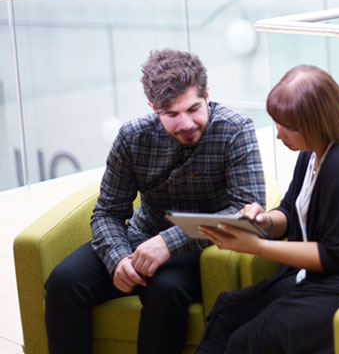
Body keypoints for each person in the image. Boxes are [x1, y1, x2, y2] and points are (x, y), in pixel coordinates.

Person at [44, 48, 266, 354]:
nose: (186, 123)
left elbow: (247, 213)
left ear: (207, 94)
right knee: (64, 281)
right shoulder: (132, 137)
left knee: (166, 290)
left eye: (193, 109)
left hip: (201, 247)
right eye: (172, 115)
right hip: (140, 237)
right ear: (153, 107)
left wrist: (168, 242)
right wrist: (119, 258)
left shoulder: (235, 129)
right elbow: (107, 212)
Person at [194, 64, 339, 353]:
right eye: (277, 122)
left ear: (317, 123)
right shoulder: (313, 153)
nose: (278, 134)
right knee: (227, 314)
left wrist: (255, 245)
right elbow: (290, 211)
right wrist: (264, 222)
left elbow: (336, 256)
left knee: (252, 339)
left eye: (288, 126)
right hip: (328, 274)